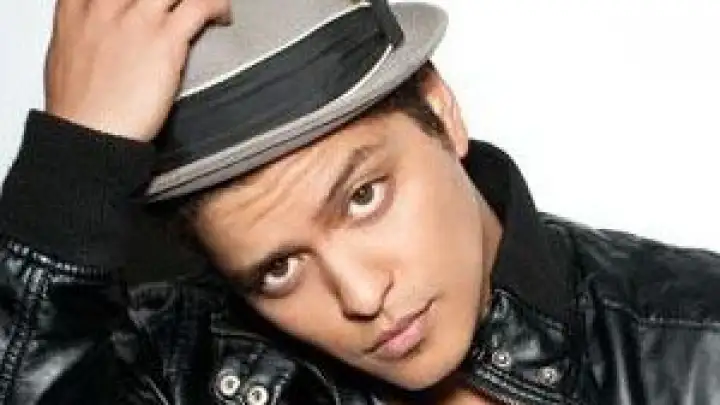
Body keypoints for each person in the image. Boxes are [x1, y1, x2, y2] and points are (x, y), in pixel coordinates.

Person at [1, 0, 720, 404]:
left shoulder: (698, 348)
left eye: (364, 197)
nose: (363, 295)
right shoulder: (178, 364)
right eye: (278, 269)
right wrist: (68, 175)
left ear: (440, 109)